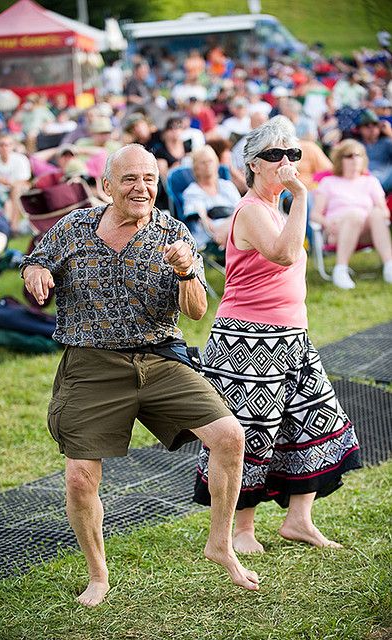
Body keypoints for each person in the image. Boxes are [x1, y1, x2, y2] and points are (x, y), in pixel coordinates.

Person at [21, 144, 259, 607]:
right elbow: (37, 259)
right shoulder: (75, 227)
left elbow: (195, 311)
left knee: (229, 435)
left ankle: (220, 543)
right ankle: (98, 574)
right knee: (79, 478)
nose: (141, 187)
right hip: (92, 365)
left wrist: (188, 271)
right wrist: (34, 271)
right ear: (106, 186)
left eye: (149, 178)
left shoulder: (173, 232)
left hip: (159, 359)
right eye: (129, 178)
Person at [193, 116, 362, 553]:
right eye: (274, 155)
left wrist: (294, 200)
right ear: (254, 165)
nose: (286, 162)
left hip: (292, 337)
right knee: (250, 437)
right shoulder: (250, 210)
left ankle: (298, 520)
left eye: (292, 154)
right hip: (248, 340)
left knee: (315, 424)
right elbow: (285, 254)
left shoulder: (275, 208)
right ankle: (242, 531)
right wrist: (302, 194)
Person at [310, 138, 392, 289]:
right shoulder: (328, 182)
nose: (354, 159)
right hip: (337, 230)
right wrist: (327, 223)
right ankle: (340, 269)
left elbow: (384, 211)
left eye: (358, 155)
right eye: (349, 155)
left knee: (376, 213)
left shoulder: (371, 181)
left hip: (367, 230)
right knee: (354, 215)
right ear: (340, 159)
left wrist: (379, 213)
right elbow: (315, 214)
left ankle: (389, 266)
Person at [182, 145, 241, 249]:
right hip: (209, 237)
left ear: (217, 163)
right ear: (195, 167)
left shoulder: (227, 186)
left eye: (210, 161)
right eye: (203, 162)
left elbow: (241, 210)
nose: (207, 165)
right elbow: (204, 221)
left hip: (233, 229)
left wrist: (226, 226)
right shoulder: (192, 192)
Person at [0, 132, 31, 234]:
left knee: (15, 189)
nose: (5, 148)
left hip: (18, 190)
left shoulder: (21, 159)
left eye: (7, 145)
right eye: (1, 145)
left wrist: (6, 182)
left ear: (12, 146)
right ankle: (9, 228)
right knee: (8, 200)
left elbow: (24, 181)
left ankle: (13, 225)